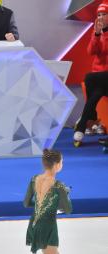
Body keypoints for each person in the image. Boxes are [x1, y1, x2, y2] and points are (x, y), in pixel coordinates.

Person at [23, 149, 72, 254]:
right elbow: (67, 209)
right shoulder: (58, 186)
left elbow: (26, 203)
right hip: (48, 227)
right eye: (62, 161)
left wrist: (44, 206)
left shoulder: (34, 179)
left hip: (34, 224)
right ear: (56, 165)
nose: (62, 163)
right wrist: (66, 195)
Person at [73, 2, 108, 147]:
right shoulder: (97, 31)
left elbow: (106, 50)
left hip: (104, 75)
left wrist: (103, 33)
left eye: (104, 14)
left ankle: (85, 122)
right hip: (98, 77)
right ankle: (91, 119)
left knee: (90, 78)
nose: (100, 17)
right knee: (95, 87)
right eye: (98, 15)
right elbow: (91, 52)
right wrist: (96, 34)